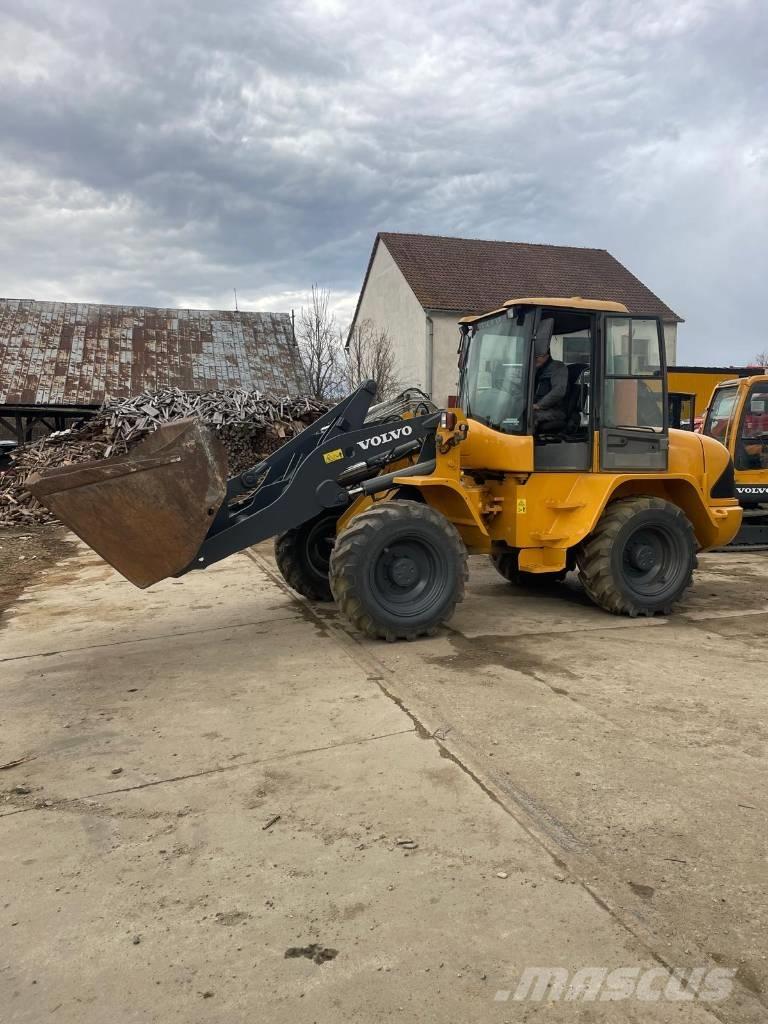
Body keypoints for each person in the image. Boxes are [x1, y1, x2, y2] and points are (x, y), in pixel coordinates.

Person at [533, 340, 568, 434]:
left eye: (537, 356)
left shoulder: (558, 367)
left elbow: (559, 391)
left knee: (529, 417)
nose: (534, 359)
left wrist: (539, 405)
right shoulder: (536, 369)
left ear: (546, 355)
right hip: (538, 408)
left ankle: (526, 441)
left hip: (555, 410)